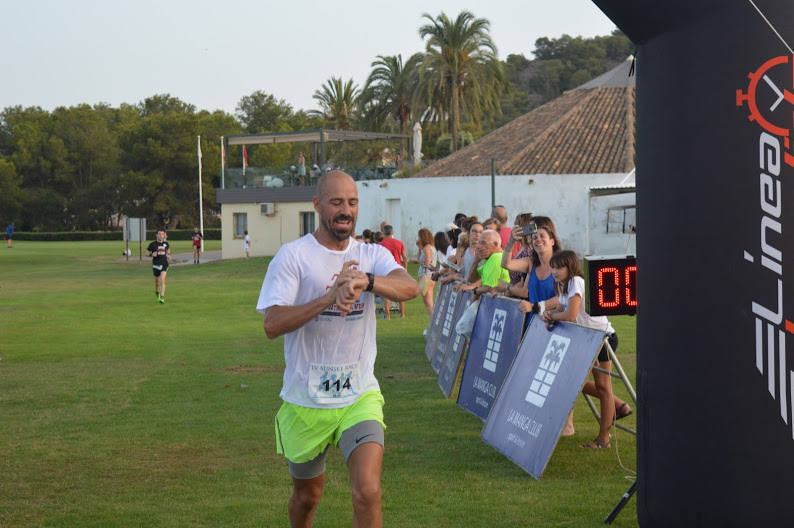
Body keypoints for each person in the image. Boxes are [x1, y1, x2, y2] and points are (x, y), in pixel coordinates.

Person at [257, 170, 417, 528]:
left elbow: (409, 288)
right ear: (317, 205)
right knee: (307, 497)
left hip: (358, 396)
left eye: (353, 202)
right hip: (306, 402)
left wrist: (367, 281)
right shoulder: (293, 256)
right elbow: (272, 324)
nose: (346, 210)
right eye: (337, 202)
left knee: (367, 490)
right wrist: (330, 297)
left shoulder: (371, 254)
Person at [542, 250, 627, 449]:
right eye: (553, 267)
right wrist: (550, 314)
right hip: (588, 340)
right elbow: (563, 310)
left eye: (559, 267)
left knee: (603, 387)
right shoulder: (564, 284)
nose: (554, 271)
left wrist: (553, 317)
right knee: (579, 384)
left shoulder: (575, 282)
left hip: (602, 339)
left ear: (570, 267)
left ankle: (603, 439)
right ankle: (619, 408)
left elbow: (571, 315)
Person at [379, 225, 408, 319]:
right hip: (398, 269)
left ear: (383, 233)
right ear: (392, 233)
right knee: (401, 292)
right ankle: (402, 314)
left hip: (386, 269)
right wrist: (405, 269)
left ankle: (387, 316)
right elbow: (404, 257)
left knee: (386, 293)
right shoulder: (399, 243)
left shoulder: (381, 244)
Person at [410, 228, 437, 315]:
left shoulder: (427, 248)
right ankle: (432, 323)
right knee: (427, 302)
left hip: (426, 276)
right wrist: (419, 248)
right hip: (428, 276)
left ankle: (433, 323)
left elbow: (427, 263)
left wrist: (418, 262)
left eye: (419, 237)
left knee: (428, 302)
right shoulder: (429, 247)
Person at [146, 229, 171, 303]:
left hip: (164, 264)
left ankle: (162, 297)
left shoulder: (166, 244)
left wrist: (169, 255)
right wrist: (151, 254)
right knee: (157, 282)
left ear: (164, 235)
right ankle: (157, 292)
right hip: (156, 265)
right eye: (159, 234)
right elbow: (146, 253)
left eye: (162, 234)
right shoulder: (152, 244)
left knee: (162, 280)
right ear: (156, 235)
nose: (161, 236)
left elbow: (168, 252)